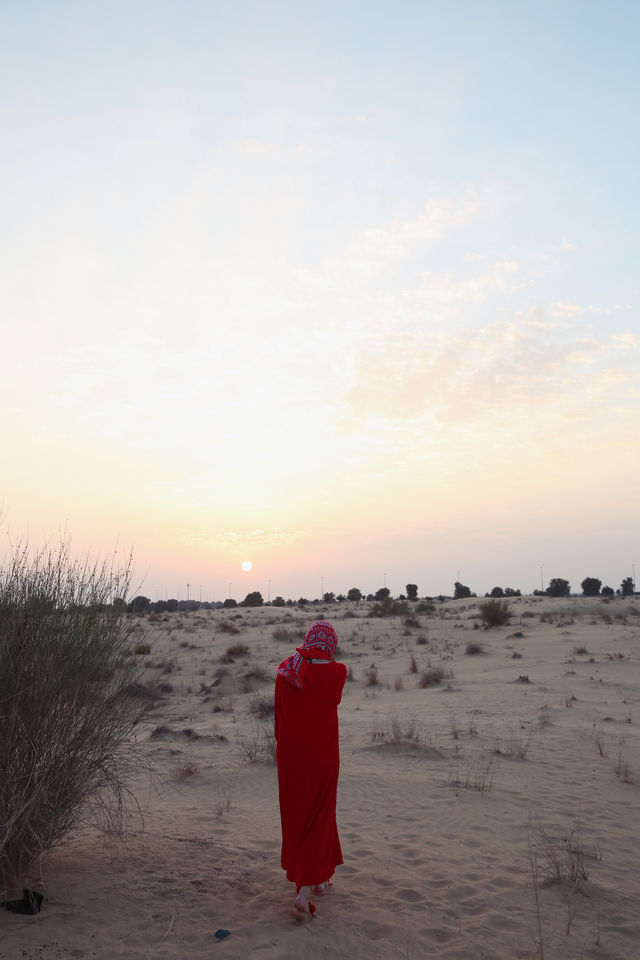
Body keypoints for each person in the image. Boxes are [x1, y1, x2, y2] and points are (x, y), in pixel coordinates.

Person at [275, 620, 347, 921]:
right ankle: (305, 890)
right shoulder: (338, 673)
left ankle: (318, 880)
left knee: (297, 816)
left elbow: (279, 716)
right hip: (323, 757)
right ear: (330, 645)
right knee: (320, 816)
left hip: (290, 756)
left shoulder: (286, 672)